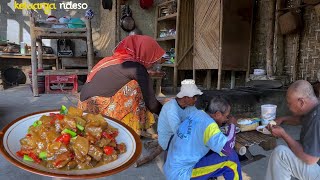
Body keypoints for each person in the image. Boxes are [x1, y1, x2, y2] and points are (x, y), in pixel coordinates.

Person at [78, 35, 165, 136]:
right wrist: (169, 112)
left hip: (83, 109)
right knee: (136, 87)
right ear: (145, 54)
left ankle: (139, 128)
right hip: (99, 113)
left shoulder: (112, 60)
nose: (153, 63)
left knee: (138, 84)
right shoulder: (137, 68)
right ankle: (128, 129)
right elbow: (152, 104)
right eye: (152, 58)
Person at [164, 96, 242, 180]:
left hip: (171, 166)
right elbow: (227, 149)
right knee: (231, 159)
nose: (226, 119)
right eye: (226, 116)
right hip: (182, 174)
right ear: (218, 114)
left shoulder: (197, 113)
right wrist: (232, 125)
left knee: (212, 150)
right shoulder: (209, 125)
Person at [265, 80, 320, 180]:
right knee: (294, 147)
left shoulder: (316, 119)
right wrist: (283, 119)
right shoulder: (315, 107)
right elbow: (301, 119)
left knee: (281, 154)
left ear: (301, 102)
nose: (288, 106)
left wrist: (284, 135)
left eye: (289, 103)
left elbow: (310, 159)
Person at [157, 79, 202, 151]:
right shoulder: (171, 108)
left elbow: (199, 117)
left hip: (179, 135)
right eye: (193, 97)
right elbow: (178, 131)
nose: (196, 99)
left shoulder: (190, 106)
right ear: (185, 97)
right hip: (168, 139)